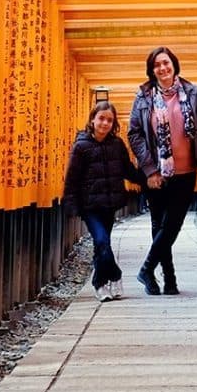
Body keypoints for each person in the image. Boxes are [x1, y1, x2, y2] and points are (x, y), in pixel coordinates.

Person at [128, 46, 197, 295]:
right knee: (159, 223)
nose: (163, 68)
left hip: (186, 171)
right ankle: (166, 280)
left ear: (174, 65)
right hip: (156, 174)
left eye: (166, 63)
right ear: (152, 70)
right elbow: (135, 134)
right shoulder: (143, 97)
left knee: (172, 224)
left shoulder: (192, 93)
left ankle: (147, 268)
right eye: (157, 65)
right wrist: (150, 169)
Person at [62, 102, 146, 302]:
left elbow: (128, 169)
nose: (105, 123)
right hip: (89, 205)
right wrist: (70, 204)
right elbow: (72, 177)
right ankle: (112, 277)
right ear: (92, 119)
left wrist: (148, 178)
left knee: (103, 244)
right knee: (101, 240)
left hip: (110, 203)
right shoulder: (81, 146)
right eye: (101, 118)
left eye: (109, 120)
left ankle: (101, 282)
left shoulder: (117, 144)